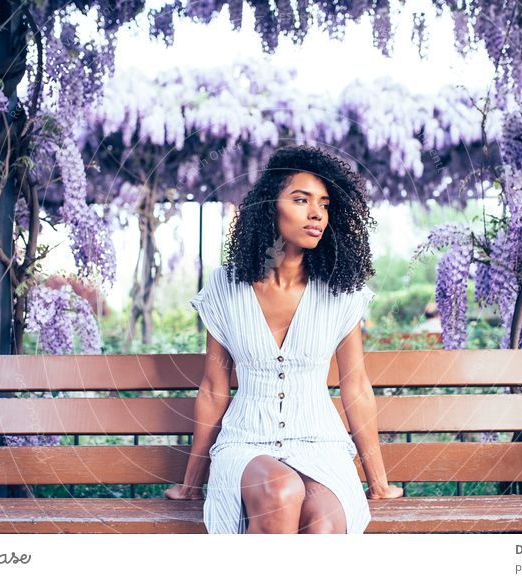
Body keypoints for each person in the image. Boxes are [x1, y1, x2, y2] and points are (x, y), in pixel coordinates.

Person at [164, 144, 402, 533]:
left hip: (321, 443)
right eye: (300, 200)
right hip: (246, 443)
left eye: (324, 204)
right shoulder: (227, 287)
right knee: (282, 490)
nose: (316, 214)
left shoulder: (342, 291)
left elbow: (355, 386)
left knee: (323, 525)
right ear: (268, 208)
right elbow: (213, 389)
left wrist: (377, 482)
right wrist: (192, 485)